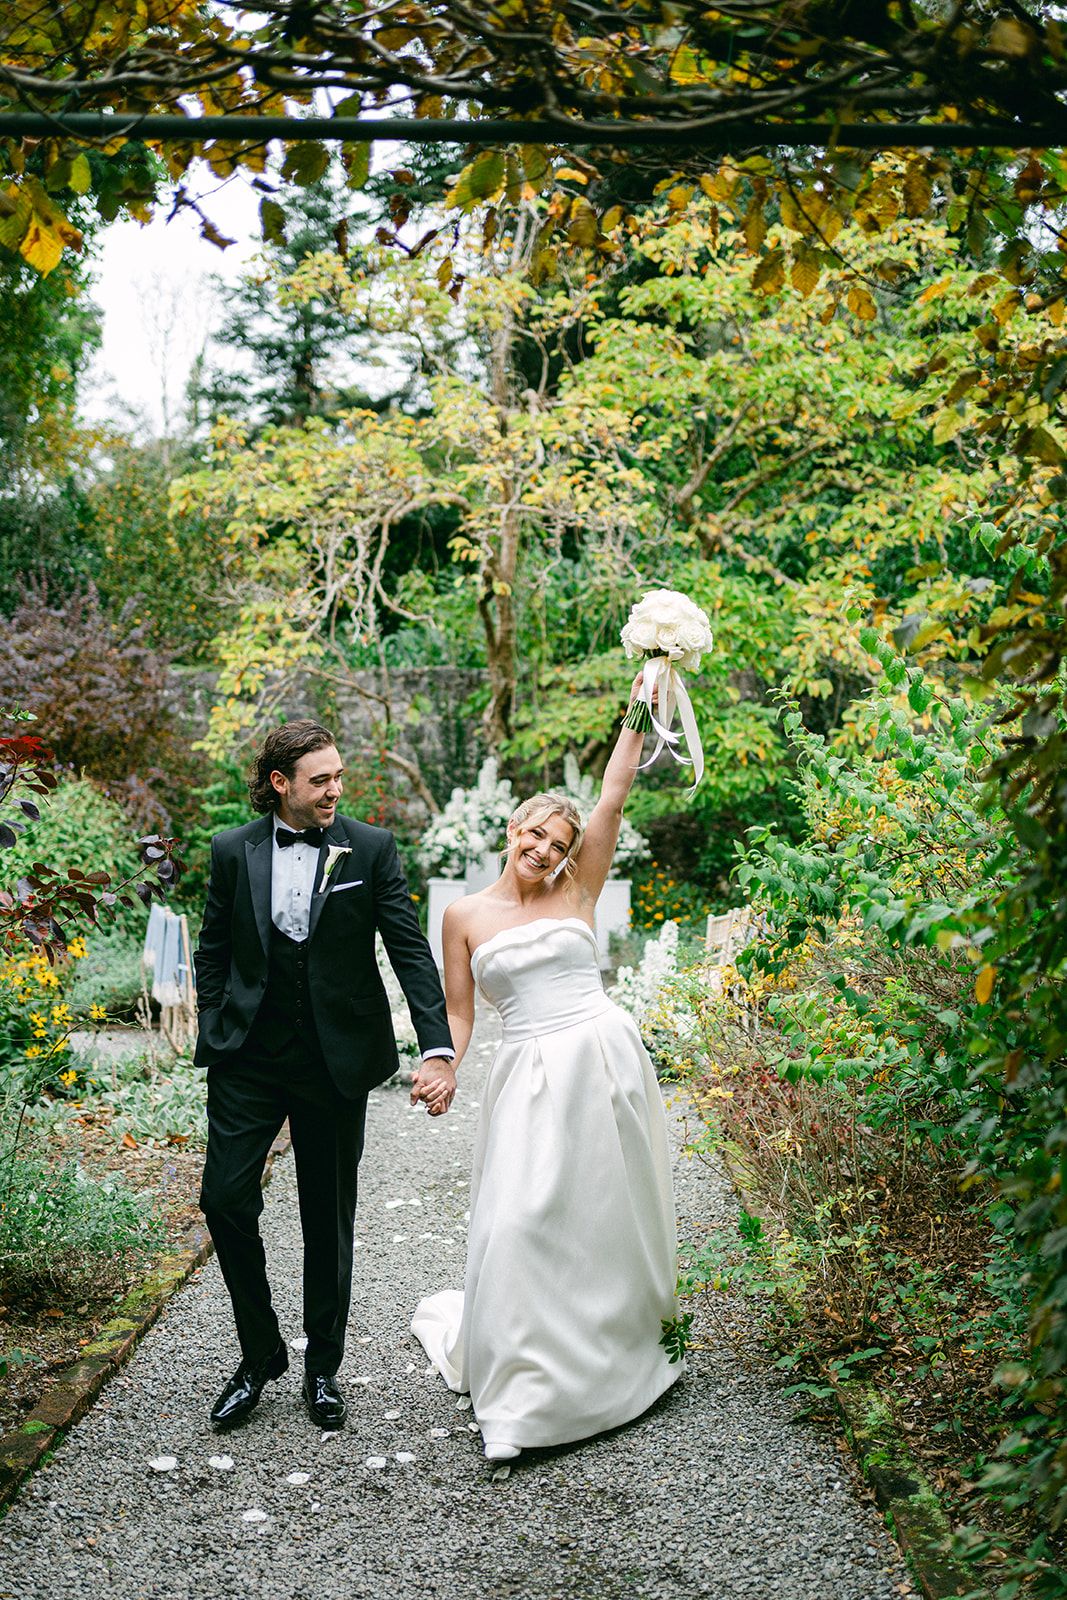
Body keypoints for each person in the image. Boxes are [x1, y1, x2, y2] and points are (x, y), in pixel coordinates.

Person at [409, 674, 680, 1461]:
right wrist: (444, 1065)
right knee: (520, 1218)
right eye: (535, 838)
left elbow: (614, 790)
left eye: (558, 846)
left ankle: (617, 1350)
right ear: (512, 830)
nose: (545, 851)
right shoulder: (463, 916)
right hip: (527, 1073)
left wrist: (645, 694)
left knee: (605, 1212)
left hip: (602, 1056)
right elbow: (459, 1013)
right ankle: (525, 1393)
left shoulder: (578, 890)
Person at [194, 719, 455, 1432]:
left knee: (326, 1217)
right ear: (280, 784)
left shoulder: (370, 849)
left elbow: (408, 950)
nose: (336, 789)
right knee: (223, 1200)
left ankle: (322, 1368)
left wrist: (436, 1046)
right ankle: (259, 1355)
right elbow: (213, 945)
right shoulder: (230, 850)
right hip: (248, 1057)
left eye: (339, 776)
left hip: (335, 1059)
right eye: (321, 780)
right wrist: (217, 1023)